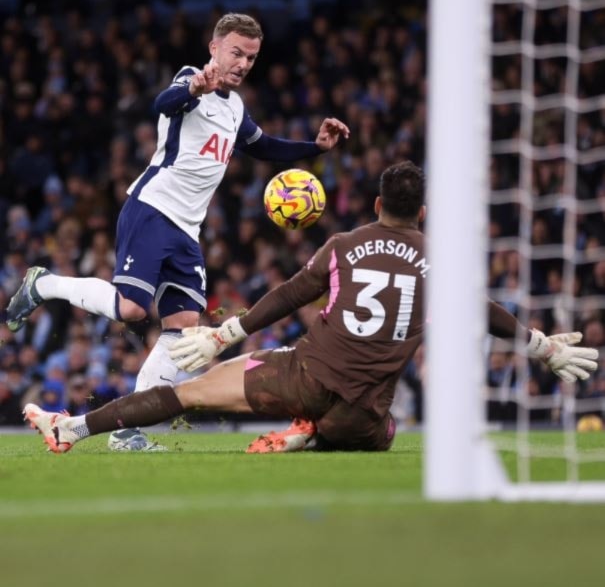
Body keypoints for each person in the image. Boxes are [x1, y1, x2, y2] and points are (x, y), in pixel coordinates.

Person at [23, 161, 599, 454]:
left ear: (376, 204)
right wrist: (539, 346)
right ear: (423, 213)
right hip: (366, 411)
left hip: (297, 377)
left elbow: (291, 295)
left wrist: (227, 332)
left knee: (184, 394)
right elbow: (483, 310)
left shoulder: (344, 245)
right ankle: (318, 435)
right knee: (388, 431)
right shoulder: (438, 261)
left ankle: (71, 428)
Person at [8, 12, 349, 451]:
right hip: (152, 208)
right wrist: (194, 87)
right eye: (236, 53)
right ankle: (44, 283)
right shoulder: (192, 79)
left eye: (251, 57)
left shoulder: (236, 107)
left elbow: (261, 146)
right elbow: (162, 104)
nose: (243, 64)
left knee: (185, 330)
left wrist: (313, 148)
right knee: (132, 310)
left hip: (187, 230)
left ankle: (127, 429)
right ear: (214, 48)